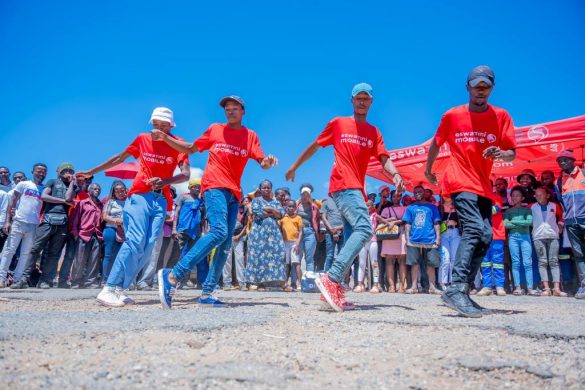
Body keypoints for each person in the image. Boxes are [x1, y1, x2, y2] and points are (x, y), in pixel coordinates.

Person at [286, 82, 403, 312]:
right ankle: (332, 277)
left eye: (366, 98)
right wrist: (295, 166)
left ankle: (334, 287)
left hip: (357, 189)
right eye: (358, 98)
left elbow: (384, 159)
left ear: (371, 102)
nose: (362, 101)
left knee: (352, 238)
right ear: (352, 101)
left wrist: (396, 173)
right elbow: (315, 146)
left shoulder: (373, 132)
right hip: (343, 185)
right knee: (364, 229)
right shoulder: (339, 123)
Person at [157, 95, 278, 308]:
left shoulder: (250, 136)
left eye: (235, 108)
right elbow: (190, 148)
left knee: (225, 245)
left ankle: (207, 293)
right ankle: (173, 275)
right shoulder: (215, 129)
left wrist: (268, 161)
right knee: (219, 232)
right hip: (214, 187)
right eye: (227, 108)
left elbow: (263, 162)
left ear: (243, 112)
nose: (230, 111)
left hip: (234, 193)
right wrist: (166, 139)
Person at [425, 65, 516, 317]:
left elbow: (511, 152)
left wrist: (500, 153)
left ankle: (462, 291)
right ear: (468, 87)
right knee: (475, 229)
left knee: (486, 236)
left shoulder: (501, 116)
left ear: (492, 88)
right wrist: (428, 170)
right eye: (476, 86)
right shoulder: (452, 116)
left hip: (483, 185)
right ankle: (455, 287)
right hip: (459, 180)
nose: (481, 90)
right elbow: (436, 142)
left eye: (485, 86)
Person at [78, 107, 191, 306]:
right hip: (139, 196)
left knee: (147, 249)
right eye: (155, 124)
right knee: (135, 240)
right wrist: (91, 171)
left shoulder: (178, 144)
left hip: (161, 201)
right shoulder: (142, 139)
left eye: (163, 125)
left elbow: (186, 174)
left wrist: (166, 181)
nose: (158, 129)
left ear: (170, 126)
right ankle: (109, 287)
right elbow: (119, 158)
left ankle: (120, 289)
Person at [28, 162, 77, 289]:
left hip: (62, 222)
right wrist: (63, 201)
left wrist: (72, 182)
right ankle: (23, 278)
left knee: (54, 253)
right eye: (65, 170)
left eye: (71, 171)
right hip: (48, 218)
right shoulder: (52, 181)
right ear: (59, 172)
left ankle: (46, 281)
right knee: (35, 249)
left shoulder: (73, 187)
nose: (68, 172)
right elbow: (44, 196)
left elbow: (68, 197)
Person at [0, 163, 46, 288]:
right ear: (32, 171)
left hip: (34, 225)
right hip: (19, 221)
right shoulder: (24, 184)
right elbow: (12, 203)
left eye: (43, 171)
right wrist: (8, 221)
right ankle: (1, 278)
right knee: (9, 250)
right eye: (39, 171)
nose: (41, 173)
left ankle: (17, 279)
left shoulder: (45, 189)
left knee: (26, 253)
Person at [244, 180, 288, 290]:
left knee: (276, 255)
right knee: (257, 256)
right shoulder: (256, 200)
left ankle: (274, 282)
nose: (266, 189)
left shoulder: (275, 202)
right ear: (260, 189)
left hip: (273, 234)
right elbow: (259, 214)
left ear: (271, 189)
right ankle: (255, 282)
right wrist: (273, 213)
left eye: (268, 188)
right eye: (264, 188)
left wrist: (271, 209)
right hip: (258, 233)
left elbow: (281, 215)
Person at [556, 149, 585, 299]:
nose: (562, 162)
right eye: (559, 160)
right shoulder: (560, 181)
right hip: (571, 223)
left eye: (565, 159)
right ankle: (584, 286)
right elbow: (561, 202)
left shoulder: (583, 174)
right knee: (579, 255)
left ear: (573, 160)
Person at [402, 186, 442, 294]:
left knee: (431, 264)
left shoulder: (432, 207)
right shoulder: (410, 208)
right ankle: (414, 287)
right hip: (414, 239)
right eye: (415, 192)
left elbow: (436, 223)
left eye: (419, 191)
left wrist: (438, 238)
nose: (417, 193)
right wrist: (407, 238)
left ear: (424, 192)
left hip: (430, 239)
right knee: (414, 263)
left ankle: (432, 287)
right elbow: (407, 224)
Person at [170, 179, 207, 287]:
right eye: (195, 186)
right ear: (190, 187)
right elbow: (176, 214)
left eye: (199, 187)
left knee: (190, 257)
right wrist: (174, 229)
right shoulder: (183, 197)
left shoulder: (201, 201)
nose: (197, 188)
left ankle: (184, 280)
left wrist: (203, 232)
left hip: (196, 232)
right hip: (182, 230)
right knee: (176, 255)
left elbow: (203, 219)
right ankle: (169, 278)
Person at [531, 186, 566, 297]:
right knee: (542, 262)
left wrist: (560, 225)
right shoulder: (531, 207)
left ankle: (556, 288)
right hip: (538, 236)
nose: (538, 197)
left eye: (541, 194)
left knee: (554, 261)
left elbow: (562, 216)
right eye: (536, 195)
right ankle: (546, 288)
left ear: (548, 195)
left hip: (553, 235)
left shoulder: (554, 206)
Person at [505, 187, 538, 296]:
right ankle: (518, 287)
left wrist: (513, 221)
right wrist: (520, 221)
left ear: (523, 197)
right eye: (513, 195)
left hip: (525, 237)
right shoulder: (508, 211)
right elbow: (506, 224)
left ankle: (530, 288)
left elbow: (529, 222)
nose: (515, 197)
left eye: (517, 195)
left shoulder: (527, 210)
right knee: (515, 262)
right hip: (513, 237)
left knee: (527, 262)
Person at [69, 183, 103, 288]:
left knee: (94, 259)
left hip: (96, 235)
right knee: (80, 259)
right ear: (89, 190)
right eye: (95, 189)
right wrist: (75, 233)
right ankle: (75, 281)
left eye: (99, 189)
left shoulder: (101, 205)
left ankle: (90, 282)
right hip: (83, 234)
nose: (97, 190)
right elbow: (75, 218)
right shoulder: (83, 203)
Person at [477, 198, 507, 296]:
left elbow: (494, 210)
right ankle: (487, 286)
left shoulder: (496, 198)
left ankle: (499, 286)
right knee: (485, 262)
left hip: (497, 235)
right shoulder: (478, 199)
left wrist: (478, 209)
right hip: (484, 235)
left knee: (498, 262)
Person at [355, 200, 384, 293]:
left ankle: (375, 285)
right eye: (365, 205)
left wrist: (379, 228)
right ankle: (360, 284)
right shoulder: (360, 216)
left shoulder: (375, 215)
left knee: (374, 263)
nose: (367, 207)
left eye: (369, 206)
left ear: (372, 206)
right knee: (362, 263)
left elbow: (385, 222)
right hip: (363, 241)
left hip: (372, 241)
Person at [380, 189, 407, 293]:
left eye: (398, 196)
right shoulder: (386, 209)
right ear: (391, 197)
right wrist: (391, 221)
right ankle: (391, 286)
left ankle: (401, 285)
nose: (396, 198)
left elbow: (406, 220)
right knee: (389, 261)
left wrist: (392, 220)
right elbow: (380, 220)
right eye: (394, 196)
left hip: (402, 235)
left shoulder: (405, 208)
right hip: (389, 235)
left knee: (402, 261)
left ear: (401, 197)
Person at [101, 181, 127, 285]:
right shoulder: (110, 202)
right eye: (117, 191)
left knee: (122, 257)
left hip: (126, 231)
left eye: (122, 191)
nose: (120, 193)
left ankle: (119, 280)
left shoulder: (130, 202)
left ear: (125, 191)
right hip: (111, 229)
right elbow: (105, 216)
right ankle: (105, 280)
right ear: (114, 192)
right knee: (109, 255)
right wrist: (116, 221)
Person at [224, 196, 248, 290]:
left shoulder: (244, 209)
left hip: (239, 236)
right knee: (227, 259)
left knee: (240, 259)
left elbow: (246, 224)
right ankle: (227, 282)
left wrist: (239, 236)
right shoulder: (226, 206)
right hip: (227, 236)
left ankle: (242, 283)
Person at [295, 184, 321, 272]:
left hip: (309, 232)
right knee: (297, 257)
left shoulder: (314, 207)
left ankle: (309, 281)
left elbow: (318, 219)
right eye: (303, 195)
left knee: (309, 258)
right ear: (301, 195)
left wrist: (317, 232)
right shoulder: (295, 205)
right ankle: (296, 282)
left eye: (307, 195)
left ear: (310, 196)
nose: (305, 197)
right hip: (297, 232)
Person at [280, 199, 304, 290]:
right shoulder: (283, 218)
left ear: (295, 208)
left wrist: (298, 243)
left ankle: (299, 283)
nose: (290, 208)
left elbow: (301, 231)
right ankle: (285, 283)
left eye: (293, 207)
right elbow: (280, 230)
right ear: (286, 207)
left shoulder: (298, 218)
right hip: (285, 243)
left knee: (296, 263)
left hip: (295, 242)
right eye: (289, 206)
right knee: (286, 264)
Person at [439, 195, 460, 289]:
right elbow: (436, 221)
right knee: (445, 259)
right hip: (444, 233)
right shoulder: (439, 207)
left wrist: (456, 223)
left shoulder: (457, 206)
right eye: (445, 195)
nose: (447, 197)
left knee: (454, 258)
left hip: (455, 232)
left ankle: (453, 281)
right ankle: (443, 282)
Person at [320, 196, 344, 272]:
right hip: (330, 233)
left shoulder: (344, 203)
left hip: (342, 232)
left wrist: (337, 229)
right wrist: (332, 230)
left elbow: (347, 219)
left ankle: (339, 279)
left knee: (341, 256)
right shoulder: (326, 202)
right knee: (330, 255)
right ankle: (326, 277)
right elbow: (323, 217)